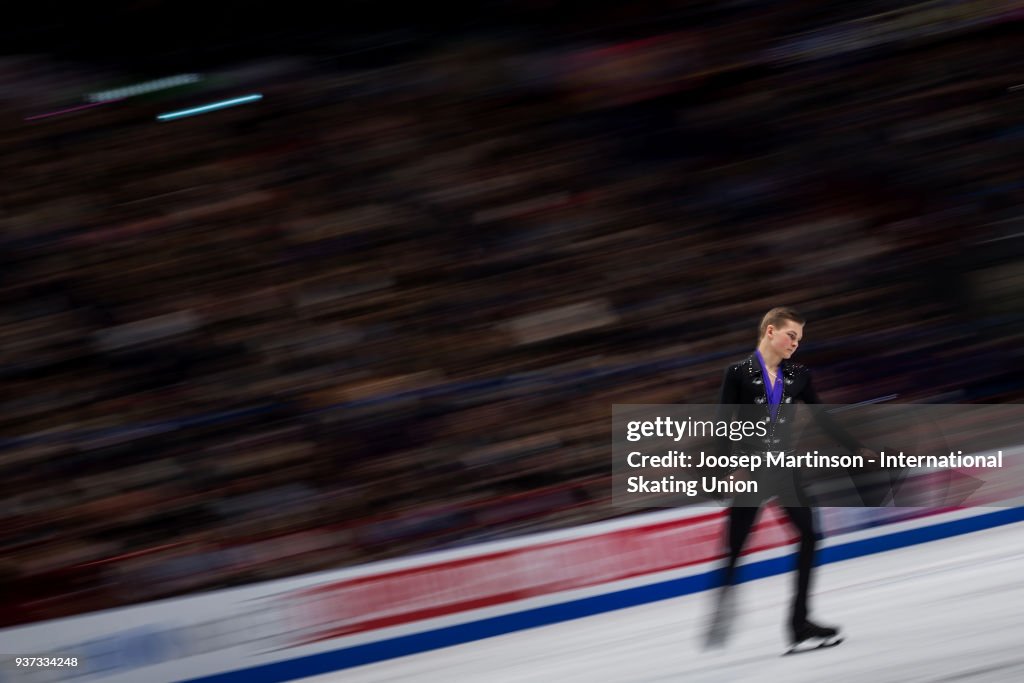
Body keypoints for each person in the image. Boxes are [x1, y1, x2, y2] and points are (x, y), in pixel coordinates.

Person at [705, 307, 871, 651]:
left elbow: (821, 416)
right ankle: (723, 601)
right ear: (770, 332)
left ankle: (799, 623)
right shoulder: (737, 373)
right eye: (791, 335)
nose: (795, 343)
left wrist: (857, 448)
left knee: (811, 536)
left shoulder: (799, 375)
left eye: (799, 338)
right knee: (735, 549)